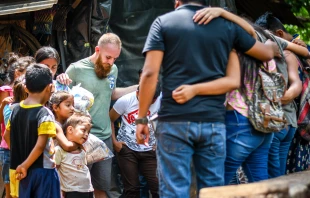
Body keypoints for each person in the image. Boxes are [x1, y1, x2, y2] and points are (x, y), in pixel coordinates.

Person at [135, 0, 281, 196]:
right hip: (213, 122)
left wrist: (141, 118)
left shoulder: (163, 22)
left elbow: (149, 74)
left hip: (174, 119)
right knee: (213, 191)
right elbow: (260, 55)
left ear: (177, 1)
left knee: (174, 189)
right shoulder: (226, 27)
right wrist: (226, 15)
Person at [61, 33, 137, 198]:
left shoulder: (113, 69)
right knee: (77, 189)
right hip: (80, 139)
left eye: (115, 58)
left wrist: (138, 88)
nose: (111, 62)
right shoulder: (76, 69)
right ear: (97, 50)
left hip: (104, 138)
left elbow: (112, 93)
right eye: (108, 57)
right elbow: (62, 100)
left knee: (102, 188)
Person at [4, 64, 60, 198]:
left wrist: (22, 160)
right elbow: (40, 146)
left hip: (19, 170)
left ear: (25, 88)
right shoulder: (44, 113)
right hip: (41, 172)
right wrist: (25, 165)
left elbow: (6, 136)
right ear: (50, 87)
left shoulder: (15, 110)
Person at [110, 83, 161, 198]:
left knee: (157, 185)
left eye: (151, 101)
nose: (148, 103)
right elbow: (110, 119)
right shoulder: (125, 101)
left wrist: (160, 142)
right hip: (127, 149)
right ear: (137, 93)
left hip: (150, 149)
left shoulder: (161, 100)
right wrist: (115, 143)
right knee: (132, 188)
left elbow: (168, 121)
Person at [55, 113, 93, 198]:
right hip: (71, 191)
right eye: (83, 130)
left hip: (87, 189)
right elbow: (55, 172)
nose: (86, 134)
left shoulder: (82, 150)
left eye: (88, 132)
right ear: (70, 130)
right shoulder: (59, 151)